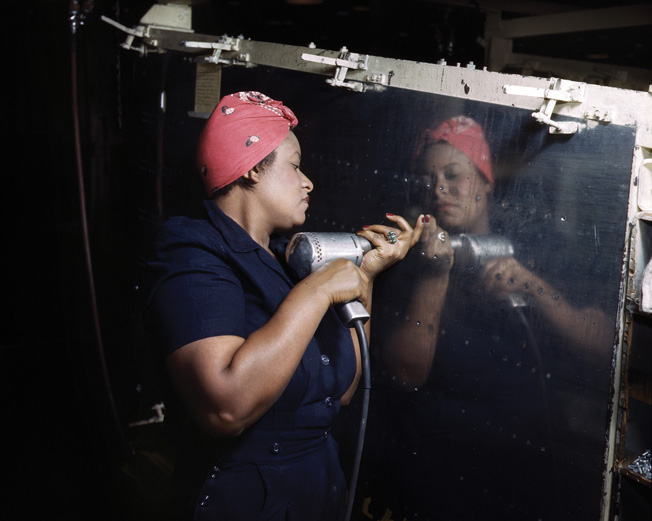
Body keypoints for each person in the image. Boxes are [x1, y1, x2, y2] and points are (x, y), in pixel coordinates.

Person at [143, 91, 423, 521]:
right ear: (254, 168)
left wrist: (363, 275)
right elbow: (225, 407)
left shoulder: (285, 261)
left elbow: (343, 392)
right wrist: (317, 292)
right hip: (246, 502)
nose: (308, 181)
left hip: (318, 490)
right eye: (294, 166)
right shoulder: (192, 252)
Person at [369, 116, 612, 520]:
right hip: (440, 471)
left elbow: (604, 346)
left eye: (454, 174)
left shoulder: (536, 243)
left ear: (485, 181)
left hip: (526, 464)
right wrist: (434, 275)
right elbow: (404, 372)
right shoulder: (407, 260)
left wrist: (533, 287)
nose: (439, 188)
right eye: (428, 178)